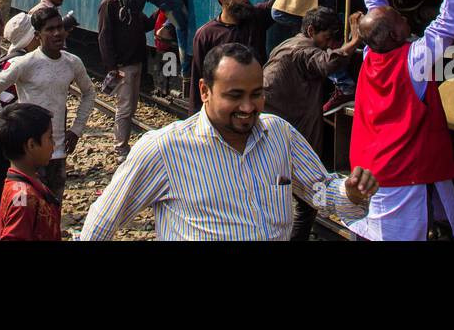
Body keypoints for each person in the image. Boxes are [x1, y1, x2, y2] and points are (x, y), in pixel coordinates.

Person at [79, 43, 377, 240]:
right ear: (204, 91)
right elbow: (103, 221)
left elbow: (320, 195)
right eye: (234, 96)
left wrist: (349, 192)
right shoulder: (164, 149)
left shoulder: (280, 136)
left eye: (256, 94)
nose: (248, 107)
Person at [350, 0, 454, 241]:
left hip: (376, 164)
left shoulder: (371, 54)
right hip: (398, 172)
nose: (405, 18)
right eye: (401, 19)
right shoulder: (414, 59)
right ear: (393, 34)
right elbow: (448, 22)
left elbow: (376, 10)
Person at [263, 5, 362, 241]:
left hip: (278, 133)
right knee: (308, 202)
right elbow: (328, 62)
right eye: (327, 38)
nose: (329, 44)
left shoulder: (286, 45)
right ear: (311, 30)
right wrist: (356, 39)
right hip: (292, 137)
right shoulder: (303, 50)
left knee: (289, 197)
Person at [0, 3, 95, 202]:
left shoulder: (72, 63)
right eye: (50, 29)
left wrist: (77, 129)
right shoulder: (26, 63)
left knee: (53, 208)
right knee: (26, 207)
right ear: (38, 35)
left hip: (58, 153)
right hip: (28, 155)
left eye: (60, 27)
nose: (57, 33)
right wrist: (4, 125)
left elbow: (89, 93)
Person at [0, 12, 38, 241]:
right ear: (31, 37)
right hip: (8, 136)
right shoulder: (20, 63)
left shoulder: (8, 57)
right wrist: (4, 125)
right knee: (14, 189)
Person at [188, 0, 272, 112]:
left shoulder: (256, 18)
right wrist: (194, 117)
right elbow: (198, 77)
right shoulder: (206, 35)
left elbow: (280, 1)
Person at [96, 0, 154, 160]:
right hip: (123, 65)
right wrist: (111, 66)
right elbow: (104, 37)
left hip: (135, 61)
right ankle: (120, 148)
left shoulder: (131, 5)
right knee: (125, 107)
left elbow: (146, 25)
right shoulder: (109, 5)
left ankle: (123, 144)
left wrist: (161, 12)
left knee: (131, 106)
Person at [0, 103, 61, 241]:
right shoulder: (23, 198)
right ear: (31, 145)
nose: (53, 144)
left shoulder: (26, 183)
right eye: (49, 137)